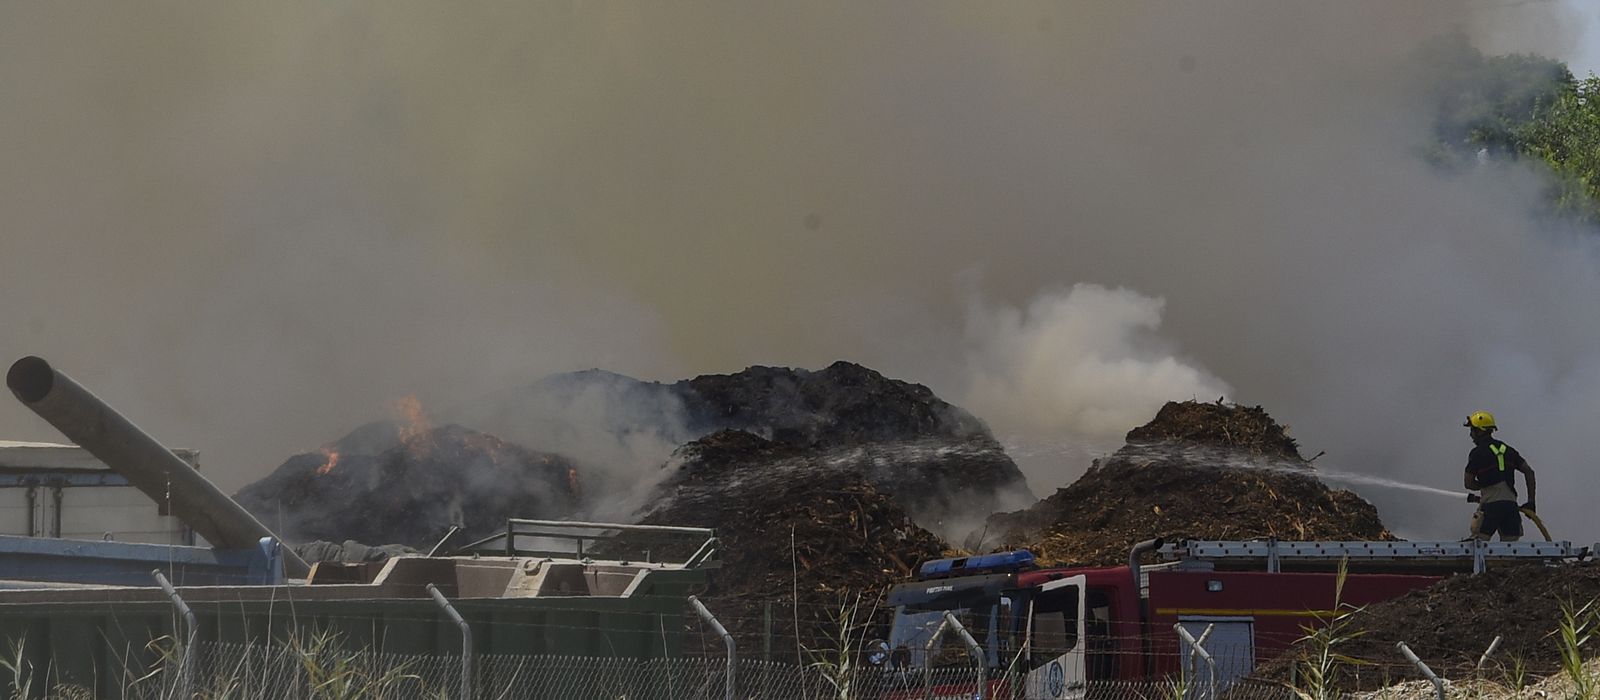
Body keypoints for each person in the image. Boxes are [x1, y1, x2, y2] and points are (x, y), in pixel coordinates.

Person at [1462, 411, 1537, 542]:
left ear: (1480, 431)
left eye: (1473, 430)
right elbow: (1529, 472)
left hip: (1490, 507)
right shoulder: (1508, 450)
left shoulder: (1477, 453)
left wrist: (1485, 486)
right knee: (1511, 549)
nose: (1471, 435)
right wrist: (1531, 502)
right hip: (1511, 507)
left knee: (1477, 545)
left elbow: (1468, 483)